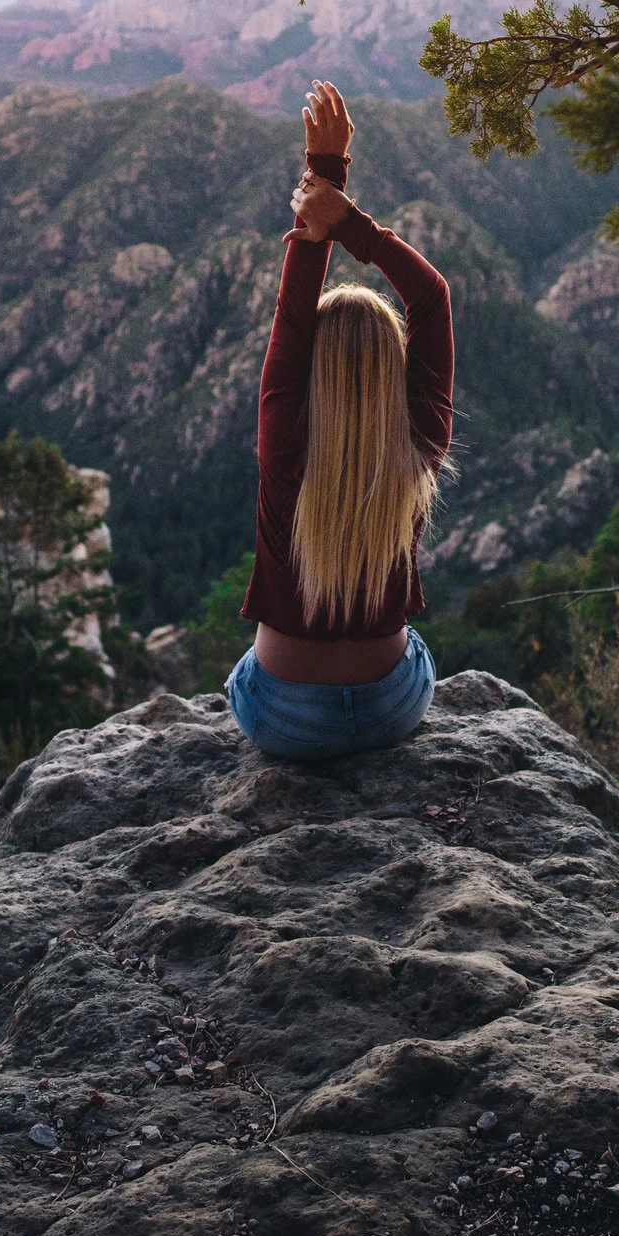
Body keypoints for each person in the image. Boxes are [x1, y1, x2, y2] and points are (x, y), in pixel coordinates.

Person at [227, 80, 454, 761]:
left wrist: (322, 184)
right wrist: (346, 214)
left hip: (281, 716)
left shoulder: (285, 438)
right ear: (395, 374)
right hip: (391, 707)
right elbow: (431, 296)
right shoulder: (417, 443)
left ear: (309, 376)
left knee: (242, 673)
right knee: (420, 652)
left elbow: (293, 321)